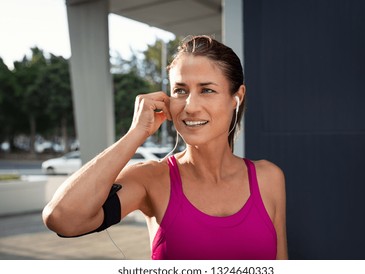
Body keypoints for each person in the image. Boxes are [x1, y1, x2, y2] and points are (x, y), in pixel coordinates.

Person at [42, 35, 288, 260]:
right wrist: (136, 133)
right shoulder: (151, 179)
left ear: (237, 97)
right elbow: (63, 219)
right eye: (180, 90)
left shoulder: (269, 178)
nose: (190, 106)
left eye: (207, 90)